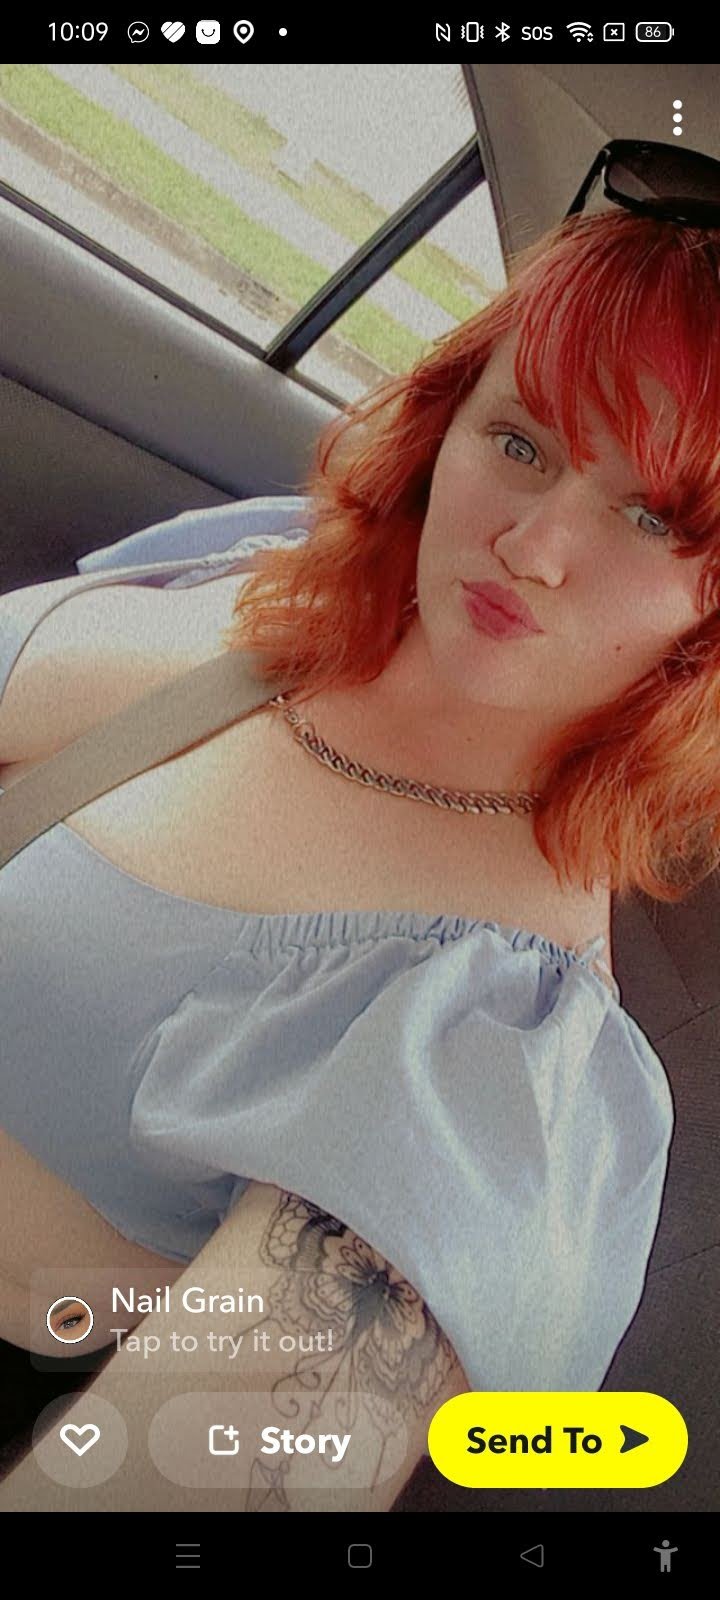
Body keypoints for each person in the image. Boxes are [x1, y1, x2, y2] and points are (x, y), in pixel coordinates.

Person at [1, 206, 719, 1512]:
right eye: (521, 442)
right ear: (448, 421)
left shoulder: (494, 1052)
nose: (535, 549)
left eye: (652, 518)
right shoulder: (271, 575)